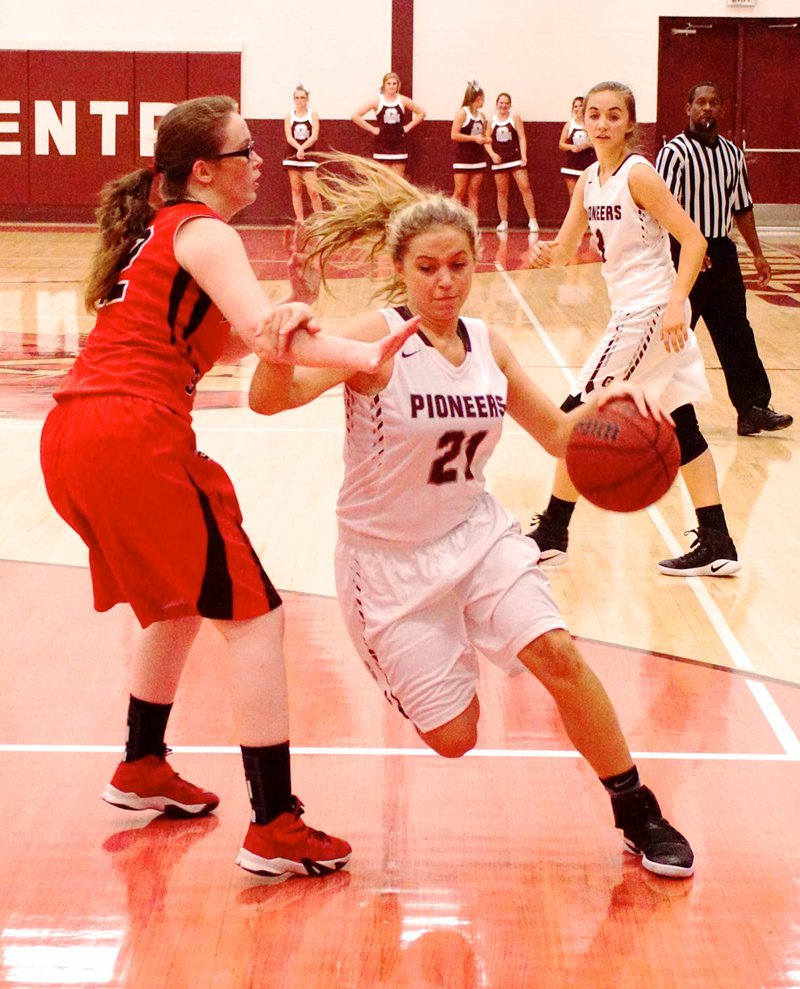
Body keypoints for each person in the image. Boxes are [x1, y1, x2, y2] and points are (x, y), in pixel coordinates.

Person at [249, 152, 696, 880]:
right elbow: (272, 398)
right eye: (428, 267)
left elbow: (559, 435)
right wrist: (275, 349)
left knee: (559, 654)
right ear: (403, 267)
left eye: (458, 264)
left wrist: (619, 399)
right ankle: (440, 646)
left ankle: (637, 808)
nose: (445, 281)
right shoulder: (379, 335)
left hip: (477, 534)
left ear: (476, 263)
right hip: (386, 564)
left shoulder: (489, 345)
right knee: (456, 737)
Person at [38, 96, 417, 880]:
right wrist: (368, 349)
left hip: (80, 435)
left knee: (180, 601)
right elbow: (265, 334)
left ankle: (141, 766)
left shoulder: (167, 237)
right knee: (254, 616)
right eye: (247, 150)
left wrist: (299, 298)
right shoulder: (206, 230)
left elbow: (259, 346)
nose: (261, 162)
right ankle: (275, 823)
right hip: (128, 433)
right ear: (204, 171)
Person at [525, 81, 741, 577]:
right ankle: (718, 542)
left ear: (629, 122)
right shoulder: (588, 181)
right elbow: (563, 250)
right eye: (594, 114)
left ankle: (553, 531)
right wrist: (544, 256)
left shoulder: (638, 174)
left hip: (649, 314)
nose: (601, 123)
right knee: (683, 428)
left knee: (575, 415)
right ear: (583, 120)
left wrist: (674, 305)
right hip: (633, 310)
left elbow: (693, 239)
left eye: (613, 115)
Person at [656, 81, 792, 437]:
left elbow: (742, 206)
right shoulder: (675, 153)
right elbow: (664, 208)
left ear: (722, 109)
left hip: (722, 253)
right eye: (700, 102)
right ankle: (654, 409)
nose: (707, 108)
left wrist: (758, 254)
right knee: (675, 333)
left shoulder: (732, 153)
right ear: (687, 108)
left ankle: (752, 408)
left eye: (714, 103)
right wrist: (688, 247)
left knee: (737, 331)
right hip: (685, 251)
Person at [351, 71, 426, 176]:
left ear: (398, 85)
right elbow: (355, 116)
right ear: (384, 85)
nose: (391, 86)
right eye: (389, 83)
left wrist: (409, 126)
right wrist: (372, 129)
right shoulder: (377, 101)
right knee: (383, 180)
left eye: (394, 84)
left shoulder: (403, 100)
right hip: (382, 144)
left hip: (399, 143)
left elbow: (422, 113)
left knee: (398, 181)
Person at [487, 92, 539, 233]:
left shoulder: (514, 117)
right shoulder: (491, 121)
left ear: (510, 105)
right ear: (497, 104)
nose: (503, 105)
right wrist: (492, 155)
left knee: (525, 187)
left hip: (515, 158)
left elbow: (522, 137)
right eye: (501, 102)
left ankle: (532, 220)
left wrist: (523, 156)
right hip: (499, 160)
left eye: (506, 103)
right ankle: (503, 221)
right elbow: (487, 141)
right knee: (502, 191)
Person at [282, 84, 323, 222]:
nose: (300, 100)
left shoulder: (313, 115)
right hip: (292, 157)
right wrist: (298, 149)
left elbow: (314, 136)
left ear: (307, 99)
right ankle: (300, 220)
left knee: (313, 191)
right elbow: (289, 137)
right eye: (297, 98)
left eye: (302, 97)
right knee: (296, 189)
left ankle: (320, 220)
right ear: (294, 99)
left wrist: (302, 148)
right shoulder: (289, 116)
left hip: (308, 156)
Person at [451, 81, 490, 218]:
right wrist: (473, 139)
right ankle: (451, 220)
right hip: (463, 157)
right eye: (483, 98)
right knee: (460, 190)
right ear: (478, 98)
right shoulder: (463, 113)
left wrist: (486, 140)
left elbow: (482, 135)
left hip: (478, 158)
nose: (484, 101)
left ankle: (473, 223)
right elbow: (454, 135)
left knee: (474, 191)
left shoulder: (482, 116)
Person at [558, 96, 596, 200]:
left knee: (588, 194)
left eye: (580, 105)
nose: (578, 108)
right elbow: (561, 144)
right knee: (573, 194)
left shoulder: (591, 124)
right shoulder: (569, 125)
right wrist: (571, 147)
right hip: (571, 164)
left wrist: (587, 144)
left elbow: (597, 142)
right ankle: (574, 216)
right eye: (575, 106)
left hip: (587, 163)